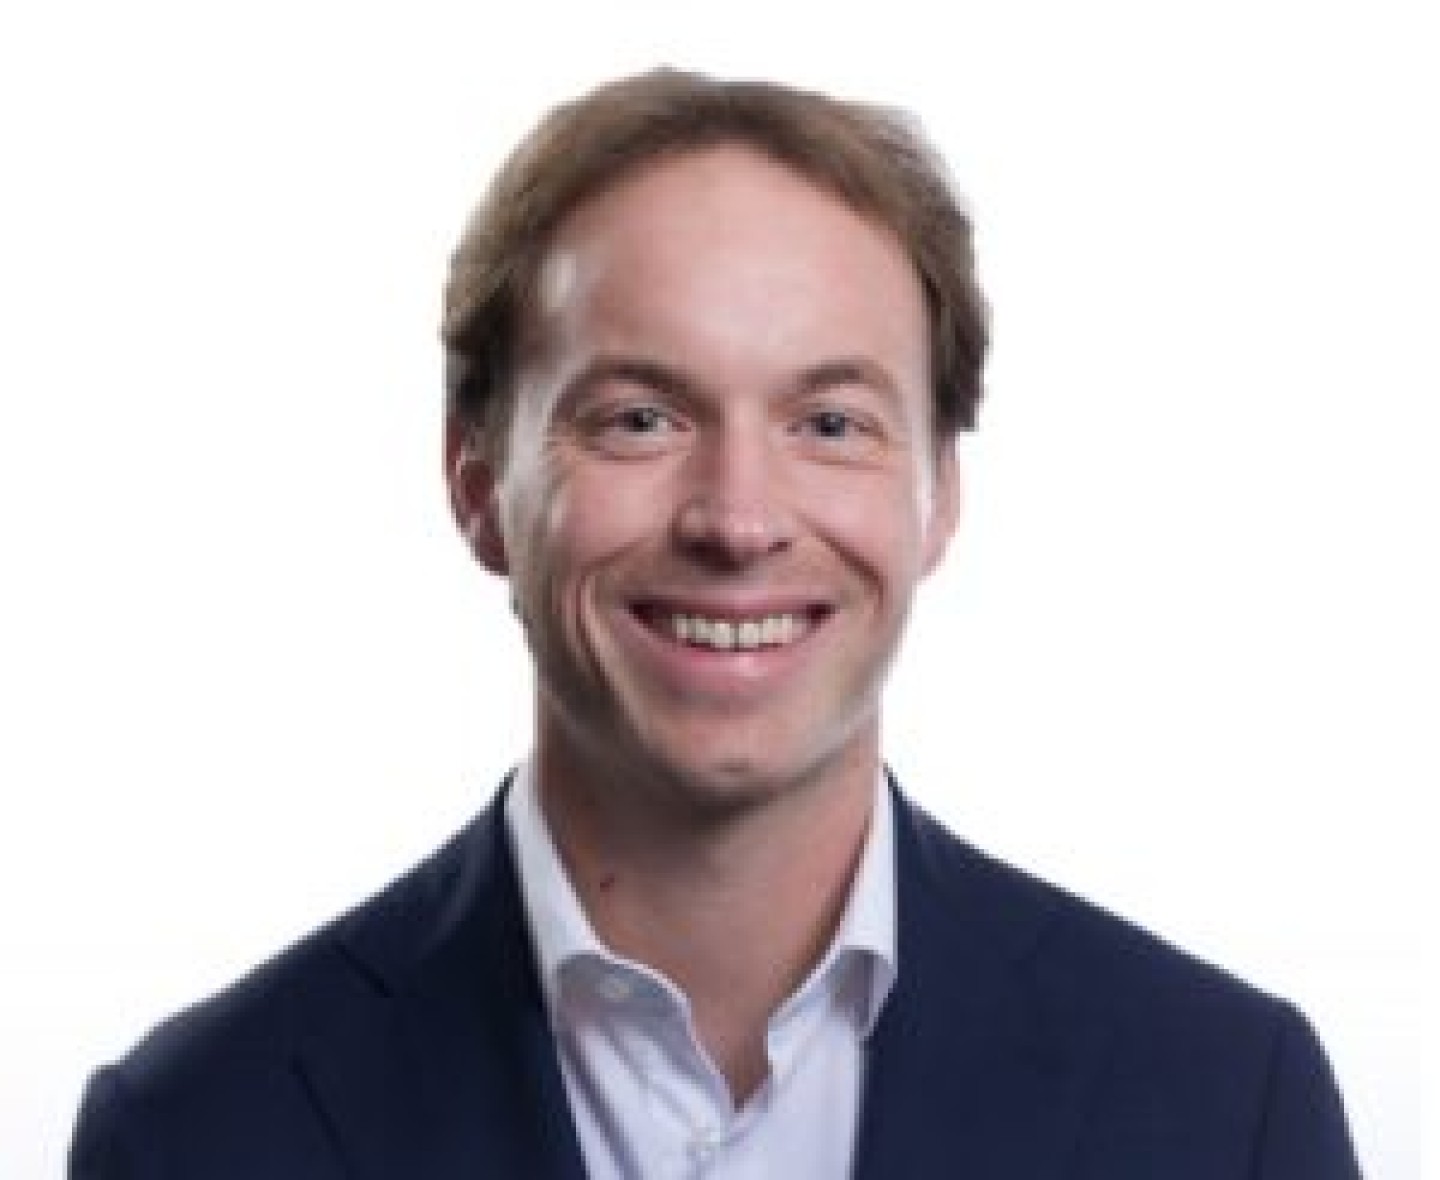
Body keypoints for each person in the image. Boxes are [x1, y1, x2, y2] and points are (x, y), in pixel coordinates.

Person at [69, 68, 1361, 1178]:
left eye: (830, 423)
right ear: (478, 487)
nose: (739, 519)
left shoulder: (1223, 1106)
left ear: (939, 498)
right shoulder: (195, 1135)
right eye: (640, 418)